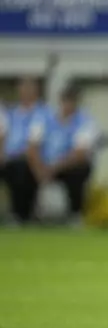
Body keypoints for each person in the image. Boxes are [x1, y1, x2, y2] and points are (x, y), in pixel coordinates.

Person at [26, 86, 98, 225]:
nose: (67, 105)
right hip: (42, 165)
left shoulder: (85, 121)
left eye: (71, 102)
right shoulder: (45, 118)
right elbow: (32, 147)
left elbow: (79, 153)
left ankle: (75, 214)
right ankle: (24, 215)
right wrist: (39, 169)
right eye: (65, 101)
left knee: (80, 170)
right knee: (20, 169)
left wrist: (53, 168)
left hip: (65, 166)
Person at [0, 77, 51, 224]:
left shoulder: (41, 113)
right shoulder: (12, 112)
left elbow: (33, 145)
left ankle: (22, 214)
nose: (24, 93)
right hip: (10, 159)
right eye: (22, 89)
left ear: (35, 92)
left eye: (28, 89)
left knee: (21, 170)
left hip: (31, 159)